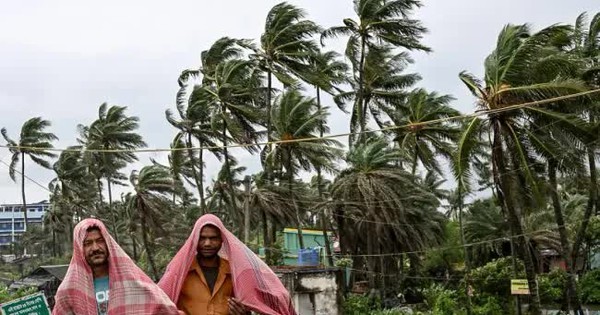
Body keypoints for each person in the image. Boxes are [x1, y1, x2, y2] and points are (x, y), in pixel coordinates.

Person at [159, 214, 296, 315]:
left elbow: (251, 303)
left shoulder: (236, 273)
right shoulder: (179, 273)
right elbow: (159, 304)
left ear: (222, 240)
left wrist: (243, 314)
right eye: (202, 238)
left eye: (213, 238)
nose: (207, 243)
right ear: (195, 240)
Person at [53, 218, 182, 315]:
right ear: (80, 248)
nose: (95, 248)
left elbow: (163, 307)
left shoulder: (131, 281)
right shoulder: (69, 290)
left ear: (108, 243)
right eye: (88, 243)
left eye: (100, 240)